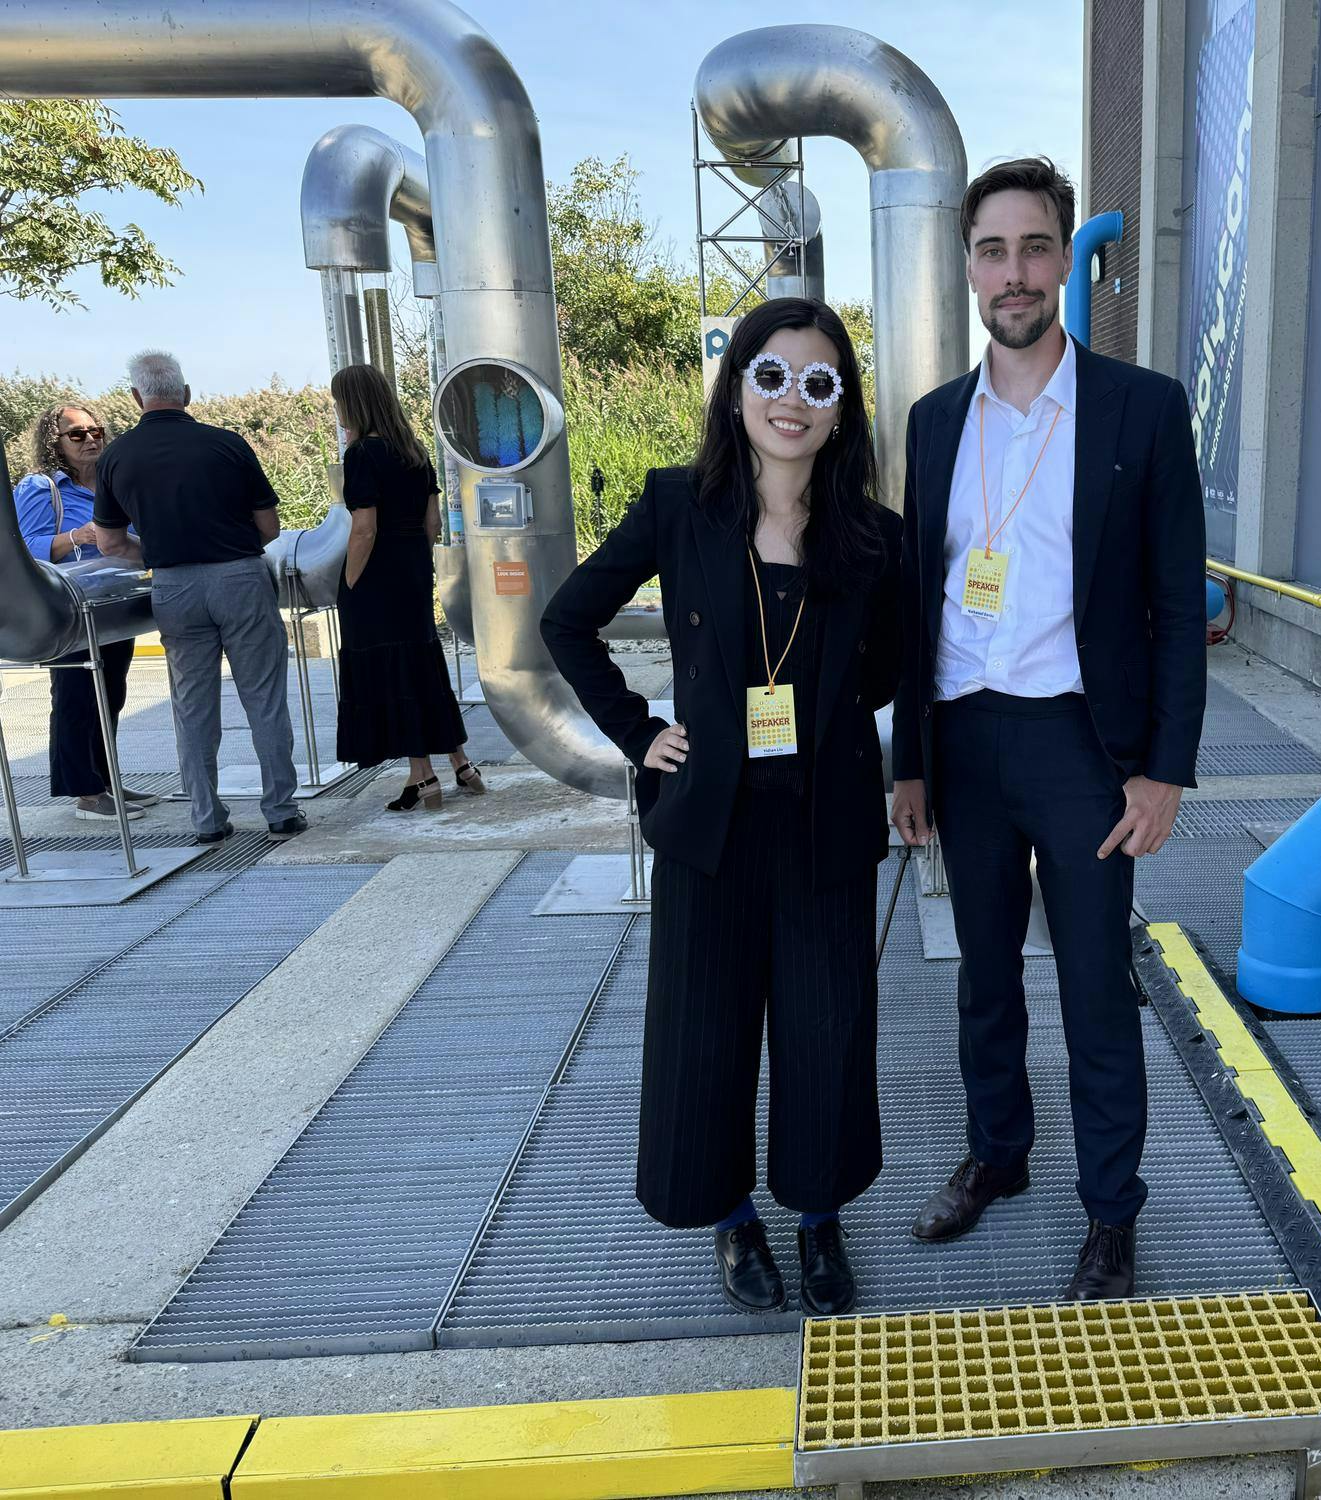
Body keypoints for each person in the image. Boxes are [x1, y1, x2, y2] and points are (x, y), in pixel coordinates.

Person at [542, 298, 900, 1317]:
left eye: (818, 382)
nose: (792, 400)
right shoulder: (676, 505)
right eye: (771, 375)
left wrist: (831, 721)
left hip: (824, 824)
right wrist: (635, 732)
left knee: (827, 1033)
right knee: (706, 1033)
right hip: (710, 825)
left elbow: (891, 666)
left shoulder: (875, 537)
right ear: (737, 385)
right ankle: (732, 1216)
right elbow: (569, 621)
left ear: (841, 410)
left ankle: (819, 1217)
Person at [890, 158, 1206, 1300]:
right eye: (992, 249)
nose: (1013, 272)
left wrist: (1163, 771)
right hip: (964, 742)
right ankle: (997, 1156)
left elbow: (1177, 602)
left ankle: (1110, 1214)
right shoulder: (932, 423)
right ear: (966, 266)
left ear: (1064, 258)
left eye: (1034, 247)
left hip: (1082, 745)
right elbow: (916, 601)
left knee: (1089, 985)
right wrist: (909, 761)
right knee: (982, 975)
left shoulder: (1140, 407)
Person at [93, 350, 306, 844]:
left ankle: (207, 820)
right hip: (240, 578)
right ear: (186, 394)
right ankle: (280, 810)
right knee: (265, 699)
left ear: (135, 397)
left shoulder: (117, 457)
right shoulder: (227, 445)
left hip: (172, 585)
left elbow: (110, 543)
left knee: (192, 706)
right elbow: (269, 526)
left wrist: (161, 551)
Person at [328, 363, 482, 810]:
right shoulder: (413, 451)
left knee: (393, 670)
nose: (337, 409)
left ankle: (422, 776)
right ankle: (460, 763)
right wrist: (413, 561)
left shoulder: (361, 456)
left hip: (377, 577)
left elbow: (364, 529)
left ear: (354, 403)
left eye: (339, 401)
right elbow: (432, 522)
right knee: (422, 664)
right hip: (413, 571)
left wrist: (351, 581)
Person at [10, 404, 161, 821]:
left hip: (114, 604)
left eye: (96, 431)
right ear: (53, 442)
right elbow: (24, 550)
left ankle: (106, 778)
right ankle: (87, 794)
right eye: (77, 434)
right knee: (76, 695)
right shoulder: (43, 488)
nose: (91, 438)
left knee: (111, 690)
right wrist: (77, 535)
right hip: (69, 606)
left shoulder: (110, 482)